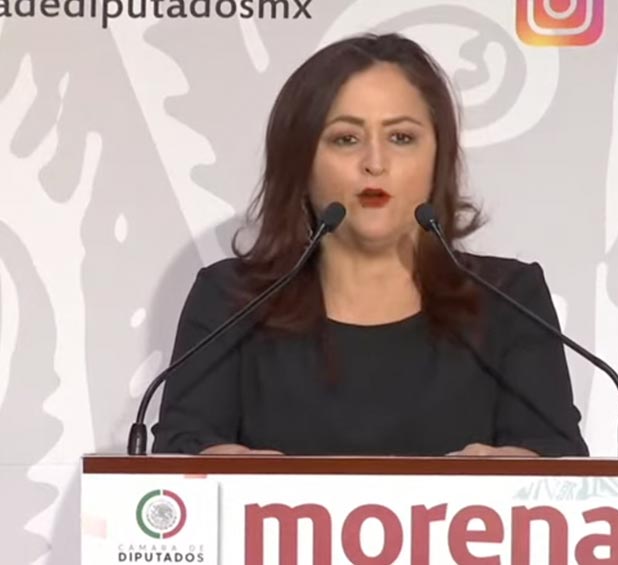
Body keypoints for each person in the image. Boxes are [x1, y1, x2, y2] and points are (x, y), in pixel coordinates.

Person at [152, 33, 589, 458]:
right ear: (300, 160)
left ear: (438, 158)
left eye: (401, 138)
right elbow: (179, 450)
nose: (375, 163)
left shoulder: (510, 299)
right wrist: (216, 470)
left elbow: (557, 456)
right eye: (346, 139)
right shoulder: (231, 302)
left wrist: (522, 473)